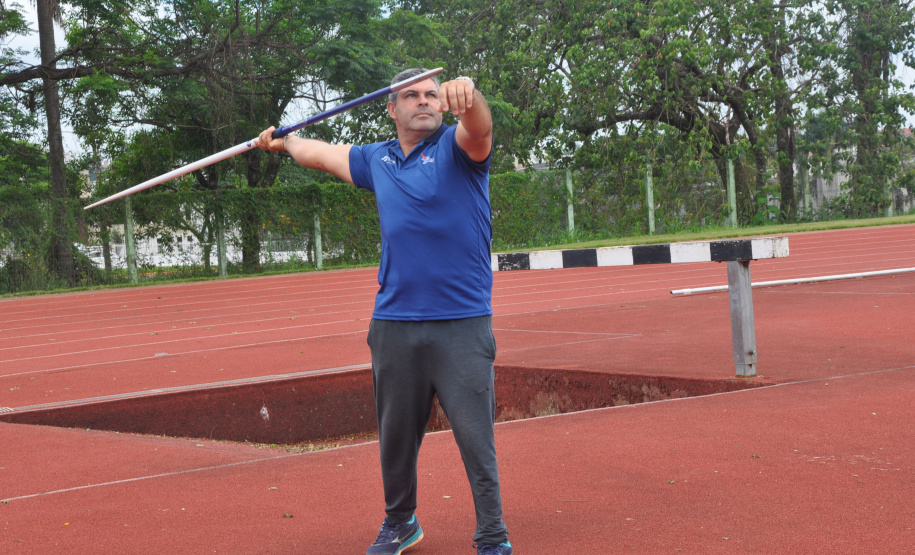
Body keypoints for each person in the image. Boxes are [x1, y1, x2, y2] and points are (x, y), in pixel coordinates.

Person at [255, 69, 512, 555]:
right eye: (411, 95)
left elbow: (479, 127)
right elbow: (321, 154)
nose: (425, 101)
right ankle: (400, 523)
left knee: (476, 441)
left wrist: (470, 96)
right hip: (393, 323)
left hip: (460, 323)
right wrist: (283, 142)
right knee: (395, 437)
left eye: (433, 95)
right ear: (391, 109)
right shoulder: (379, 159)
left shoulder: (459, 152)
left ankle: (493, 537)